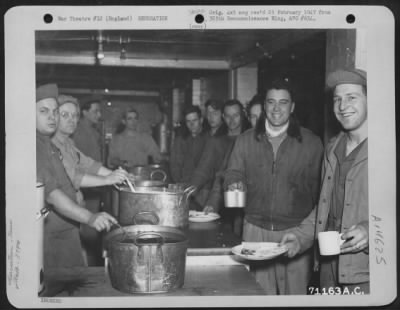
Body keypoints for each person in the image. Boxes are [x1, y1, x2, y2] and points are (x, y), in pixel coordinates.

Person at [223, 78, 324, 294]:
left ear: (292, 106)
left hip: (296, 231)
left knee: (295, 297)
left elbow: (321, 196)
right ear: (264, 105)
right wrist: (233, 182)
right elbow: (233, 171)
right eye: (271, 102)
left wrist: (312, 242)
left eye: (283, 102)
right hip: (255, 230)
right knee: (258, 295)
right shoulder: (245, 139)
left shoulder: (312, 143)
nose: (276, 108)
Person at [280, 69, 369, 294]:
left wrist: (372, 229)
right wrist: (300, 237)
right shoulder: (332, 148)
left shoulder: (389, 148)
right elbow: (324, 206)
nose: (342, 106)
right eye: (337, 99)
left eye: (352, 97)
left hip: (367, 273)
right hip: (328, 268)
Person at [36, 84, 117, 268]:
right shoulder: (43, 146)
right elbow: (57, 190)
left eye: (74, 116)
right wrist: (90, 216)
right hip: (55, 228)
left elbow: (88, 163)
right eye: (63, 115)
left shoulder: (64, 144)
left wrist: (114, 175)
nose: (70, 120)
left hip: (69, 223)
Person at [190, 99, 250, 211]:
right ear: (223, 116)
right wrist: (189, 191)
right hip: (218, 199)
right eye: (228, 116)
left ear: (242, 115)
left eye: (235, 115)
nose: (232, 120)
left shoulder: (249, 140)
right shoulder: (216, 141)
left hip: (246, 200)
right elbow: (203, 169)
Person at [169, 105, 208, 186]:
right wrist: (179, 182)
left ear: (201, 120)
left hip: (203, 187)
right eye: (188, 121)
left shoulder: (209, 140)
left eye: (194, 120)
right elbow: (174, 165)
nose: (191, 124)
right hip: (183, 185)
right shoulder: (180, 140)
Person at [73, 96, 103, 163]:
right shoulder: (78, 132)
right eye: (95, 111)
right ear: (85, 112)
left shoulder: (94, 132)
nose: (99, 115)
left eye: (100, 111)